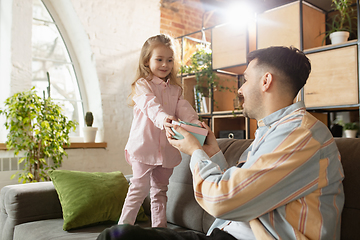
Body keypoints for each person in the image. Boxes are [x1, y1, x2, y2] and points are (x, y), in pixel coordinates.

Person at [98, 46, 344, 240]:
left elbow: (222, 201)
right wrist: (213, 151)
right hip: (225, 234)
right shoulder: (272, 132)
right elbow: (241, 186)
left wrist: (195, 151)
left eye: (245, 79)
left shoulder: (300, 136)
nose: (240, 89)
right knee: (118, 235)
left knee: (116, 237)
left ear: (266, 81)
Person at [118, 33, 201, 228]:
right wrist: (164, 118)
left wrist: (195, 123)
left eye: (170, 60)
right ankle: (122, 230)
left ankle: (160, 231)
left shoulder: (176, 90)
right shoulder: (141, 86)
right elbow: (150, 106)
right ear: (147, 61)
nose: (165, 64)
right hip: (143, 148)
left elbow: (184, 109)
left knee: (160, 191)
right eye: (159, 59)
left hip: (167, 151)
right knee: (138, 188)